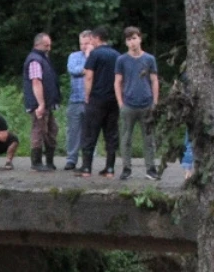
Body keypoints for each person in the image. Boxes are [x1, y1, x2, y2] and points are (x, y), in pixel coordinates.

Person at [114, 26, 161, 181]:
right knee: (126, 138)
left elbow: (154, 80)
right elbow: (118, 82)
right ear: (126, 42)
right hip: (128, 104)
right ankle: (126, 168)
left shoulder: (149, 59)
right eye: (129, 39)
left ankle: (151, 168)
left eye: (134, 38)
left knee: (149, 138)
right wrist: (120, 102)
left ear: (140, 39)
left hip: (146, 103)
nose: (132, 42)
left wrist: (155, 101)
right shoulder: (121, 60)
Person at [78, 27, 121, 177]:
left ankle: (86, 168)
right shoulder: (117, 55)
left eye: (92, 39)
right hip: (113, 100)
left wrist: (87, 95)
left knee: (90, 133)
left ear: (96, 38)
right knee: (111, 134)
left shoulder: (95, 55)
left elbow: (88, 76)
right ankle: (110, 169)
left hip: (96, 99)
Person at [23, 32, 61, 172]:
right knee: (39, 130)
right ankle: (36, 162)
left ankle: (49, 161)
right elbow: (36, 82)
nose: (49, 48)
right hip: (39, 104)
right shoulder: (35, 60)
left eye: (49, 45)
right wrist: (41, 104)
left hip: (47, 103)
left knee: (52, 129)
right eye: (46, 45)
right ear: (38, 44)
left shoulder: (43, 58)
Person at [64, 31, 93, 170]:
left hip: (91, 100)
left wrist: (88, 60)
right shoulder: (73, 56)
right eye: (81, 43)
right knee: (73, 131)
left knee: (90, 131)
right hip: (75, 99)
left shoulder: (97, 56)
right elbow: (73, 70)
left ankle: (87, 160)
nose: (83, 46)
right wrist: (87, 67)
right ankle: (71, 159)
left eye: (86, 43)